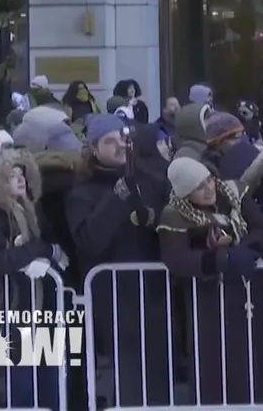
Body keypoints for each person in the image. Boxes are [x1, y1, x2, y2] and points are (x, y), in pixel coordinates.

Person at [64, 113, 173, 407]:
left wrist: (155, 219)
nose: (120, 145)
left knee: (158, 365)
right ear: (93, 149)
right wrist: (117, 199)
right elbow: (89, 241)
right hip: (112, 294)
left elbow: (170, 224)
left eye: (123, 138)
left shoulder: (151, 181)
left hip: (152, 289)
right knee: (126, 368)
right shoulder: (81, 193)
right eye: (109, 141)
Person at [158, 155, 263, 404]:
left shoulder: (233, 192)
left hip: (249, 291)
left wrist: (245, 249)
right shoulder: (174, 215)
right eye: (198, 188)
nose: (208, 189)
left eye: (208, 181)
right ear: (185, 194)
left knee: (254, 356)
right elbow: (176, 258)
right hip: (207, 298)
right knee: (214, 360)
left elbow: (262, 228)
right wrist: (221, 260)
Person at [0, 150, 68, 409]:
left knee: (50, 377)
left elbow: (51, 244)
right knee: (21, 382)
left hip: (40, 306)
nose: (20, 179)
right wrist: (40, 250)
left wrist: (46, 251)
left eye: (22, 173)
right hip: (11, 307)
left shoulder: (30, 209)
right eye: (12, 175)